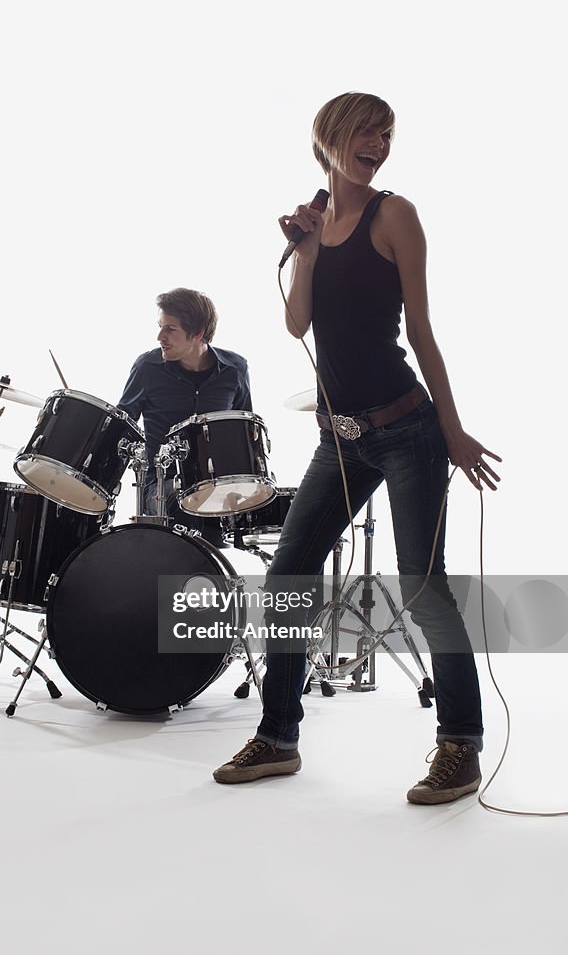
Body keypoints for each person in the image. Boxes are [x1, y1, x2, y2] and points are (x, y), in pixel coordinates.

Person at [213, 92, 501, 803]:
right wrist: (308, 253)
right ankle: (278, 737)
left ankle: (460, 744)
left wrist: (454, 429)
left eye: (387, 134)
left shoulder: (394, 215)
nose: (380, 143)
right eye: (368, 132)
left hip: (407, 429)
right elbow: (296, 324)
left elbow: (423, 332)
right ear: (332, 138)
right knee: (288, 581)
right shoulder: (318, 224)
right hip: (337, 440)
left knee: (423, 588)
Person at [117, 287, 252, 545]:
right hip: (161, 483)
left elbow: (244, 432)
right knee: (184, 502)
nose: (160, 336)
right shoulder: (147, 367)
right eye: (160, 326)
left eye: (170, 329)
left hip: (217, 484)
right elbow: (123, 426)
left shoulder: (235, 369)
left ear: (198, 333)